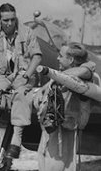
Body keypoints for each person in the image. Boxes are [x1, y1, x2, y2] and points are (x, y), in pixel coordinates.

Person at [0, 3, 42, 165]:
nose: (9, 23)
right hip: (3, 76)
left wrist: (28, 75)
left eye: (12, 19)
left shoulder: (27, 33)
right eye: (5, 20)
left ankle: (16, 140)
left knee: (21, 94)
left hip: (23, 75)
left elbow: (37, 57)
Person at [35, 42, 96, 171]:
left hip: (64, 131)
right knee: (44, 163)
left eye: (61, 55)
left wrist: (54, 77)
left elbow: (83, 71)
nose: (57, 58)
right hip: (50, 130)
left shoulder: (85, 73)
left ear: (71, 59)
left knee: (57, 165)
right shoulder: (61, 75)